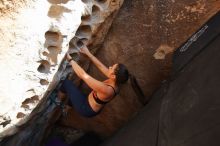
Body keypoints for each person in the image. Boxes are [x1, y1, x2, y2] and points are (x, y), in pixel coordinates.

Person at [58, 45, 145, 117]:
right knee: (76, 94)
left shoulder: (107, 90)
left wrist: (69, 59)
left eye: (112, 68)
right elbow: (100, 66)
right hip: (89, 101)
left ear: (113, 76)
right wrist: (88, 53)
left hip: (86, 109)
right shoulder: (115, 81)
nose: (109, 67)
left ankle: (58, 100)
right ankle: (67, 108)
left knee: (67, 84)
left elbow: (83, 75)